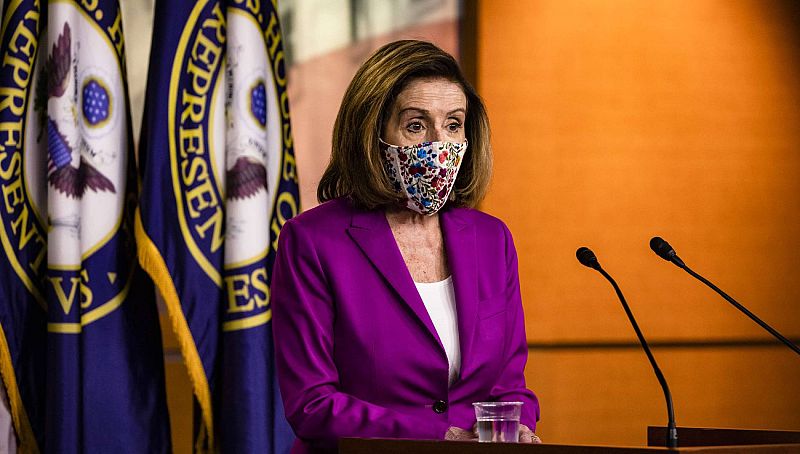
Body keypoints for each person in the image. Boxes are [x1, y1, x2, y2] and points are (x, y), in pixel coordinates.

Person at [272, 40, 540, 453]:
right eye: (416, 125)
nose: (440, 144)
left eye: (453, 124)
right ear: (372, 133)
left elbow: (508, 386)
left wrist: (518, 427)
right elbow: (312, 404)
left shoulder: (492, 239)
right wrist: (438, 438)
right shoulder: (313, 240)